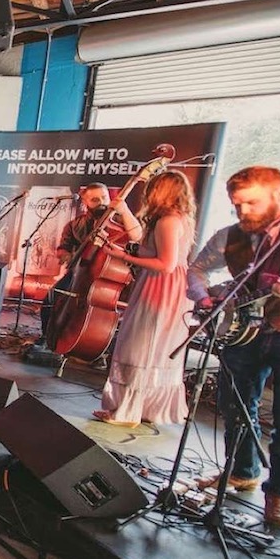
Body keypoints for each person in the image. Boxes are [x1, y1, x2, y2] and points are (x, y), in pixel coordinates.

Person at [187, 166, 280, 527]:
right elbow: (196, 272)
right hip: (244, 334)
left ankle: (279, 497)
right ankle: (242, 471)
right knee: (236, 407)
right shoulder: (233, 236)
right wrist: (204, 299)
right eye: (237, 205)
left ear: (278, 195)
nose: (243, 212)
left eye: (251, 203)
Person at [93, 171, 197, 429]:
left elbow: (165, 264)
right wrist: (120, 250)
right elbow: (145, 245)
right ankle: (144, 408)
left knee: (142, 345)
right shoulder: (170, 219)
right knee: (152, 348)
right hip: (163, 286)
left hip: (161, 288)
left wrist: (125, 258)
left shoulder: (169, 221)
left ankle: (127, 411)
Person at [38, 183, 144, 347]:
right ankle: (48, 339)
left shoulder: (121, 221)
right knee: (50, 301)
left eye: (104, 198)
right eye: (95, 199)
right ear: (85, 202)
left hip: (111, 279)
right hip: (79, 274)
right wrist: (70, 257)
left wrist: (125, 211)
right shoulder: (75, 225)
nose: (102, 202)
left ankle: (99, 346)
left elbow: (137, 236)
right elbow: (62, 250)